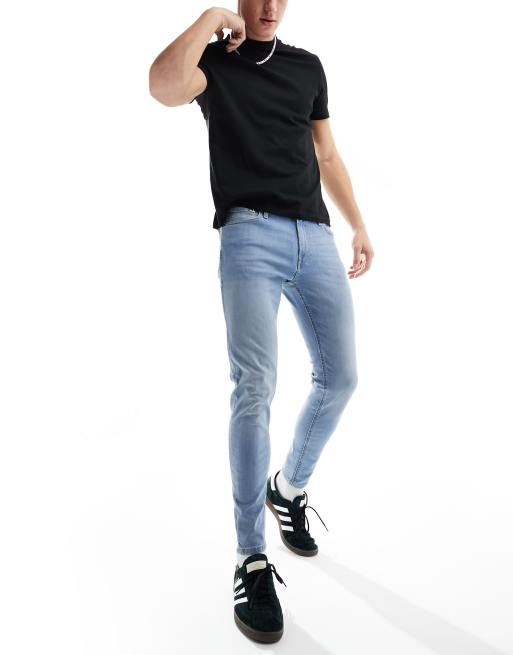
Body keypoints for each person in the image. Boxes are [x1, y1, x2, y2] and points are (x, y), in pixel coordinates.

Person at [149, 0, 374, 643]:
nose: (270, 7)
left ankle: (289, 487)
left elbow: (326, 154)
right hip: (248, 234)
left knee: (341, 378)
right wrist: (209, 18)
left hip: (316, 236)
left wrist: (358, 225)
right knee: (255, 388)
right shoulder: (213, 65)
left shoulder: (307, 67)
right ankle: (250, 557)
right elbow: (161, 86)